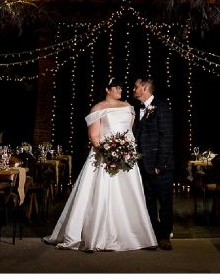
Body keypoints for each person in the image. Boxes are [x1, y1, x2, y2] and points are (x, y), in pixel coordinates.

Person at [43, 78, 158, 251]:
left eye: (121, 87)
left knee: (129, 194)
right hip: (104, 157)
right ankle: (96, 235)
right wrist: (110, 153)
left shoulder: (128, 106)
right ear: (107, 89)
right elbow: (94, 136)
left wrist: (125, 151)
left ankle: (135, 235)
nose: (120, 89)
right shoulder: (98, 109)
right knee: (101, 194)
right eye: (116, 87)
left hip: (126, 158)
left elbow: (130, 133)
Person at [132, 75, 175, 250]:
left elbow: (166, 138)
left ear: (144, 87)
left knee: (164, 201)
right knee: (147, 201)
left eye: (136, 87)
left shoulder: (162, 108)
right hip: (142, 165)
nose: (133, 90)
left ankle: (164, 236)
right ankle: (152, 235)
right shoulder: (137, 108)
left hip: (160, 166)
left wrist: (160, 165)